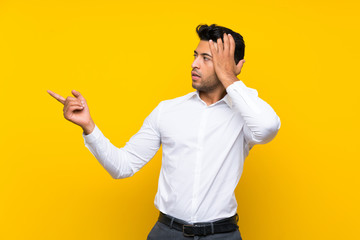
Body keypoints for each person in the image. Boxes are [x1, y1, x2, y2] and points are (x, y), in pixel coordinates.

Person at [47, 24, 281, 240]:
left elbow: (267, 128)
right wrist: (89, 126)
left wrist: (228, 76)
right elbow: (123, 166)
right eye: (195, 56)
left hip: (222, 234)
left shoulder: (247, 111)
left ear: (235, 66)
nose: (194, 64)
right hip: (168, 233)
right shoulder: (167, 111)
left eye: (207, 58)